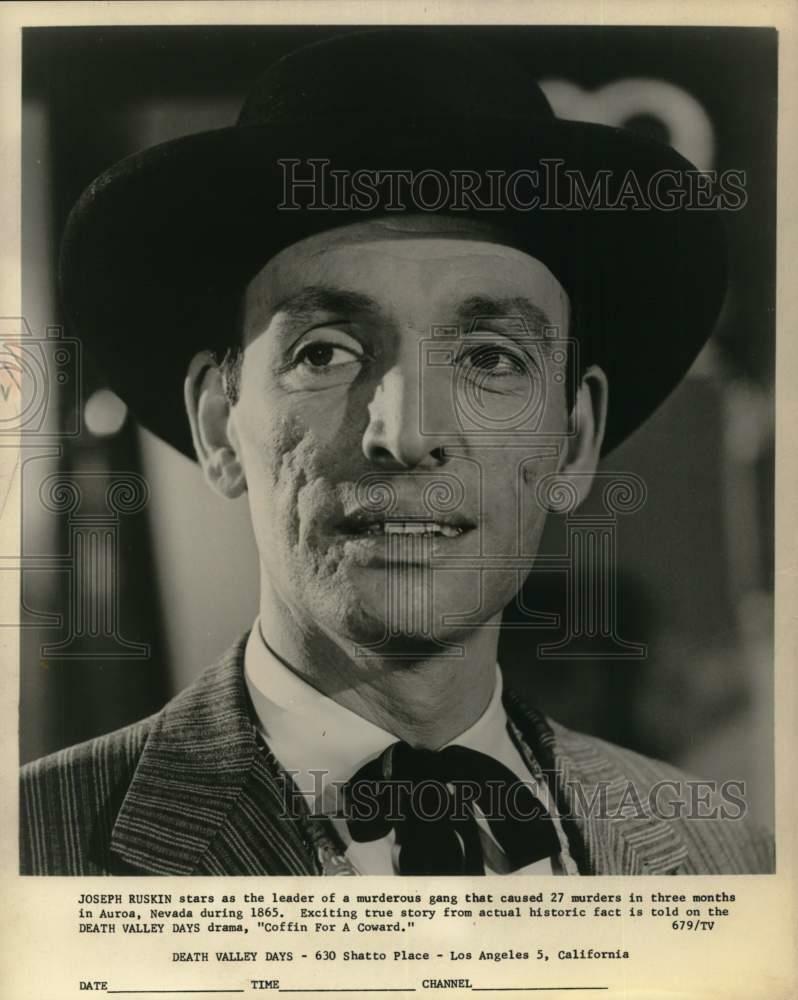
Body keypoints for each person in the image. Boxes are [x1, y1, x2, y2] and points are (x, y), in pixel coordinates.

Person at [20, 29, 773, 876]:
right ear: (218, 421)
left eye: (491, 358)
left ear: (574, 438)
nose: (406, 435)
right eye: (326, 352)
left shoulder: (729, 866)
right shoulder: (35, 852)